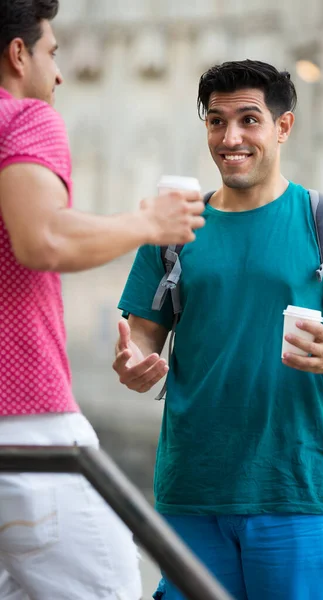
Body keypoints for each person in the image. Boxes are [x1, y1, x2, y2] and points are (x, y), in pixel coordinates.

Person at [114, 60, 323, 600]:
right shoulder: (175, 229)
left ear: (283, 127)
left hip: (296, 489)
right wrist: (135, 361)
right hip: (192, 490)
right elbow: (142, 333)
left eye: (248, 119)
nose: (230, 137)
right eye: (216, 121)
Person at [0, 1, 205, 599]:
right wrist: (147, 223)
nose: (59, 72)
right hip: (26, 414)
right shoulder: (26, 119)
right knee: (108, 588)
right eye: (52, 52)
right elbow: (43, 238)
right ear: (19, 54)